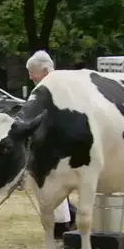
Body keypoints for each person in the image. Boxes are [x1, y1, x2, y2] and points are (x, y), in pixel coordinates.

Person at [24, 50, 77, 239]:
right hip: (52, 149)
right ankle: (68, 223)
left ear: (45, 71)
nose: (30, 76)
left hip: (62, 151)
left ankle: (63, 228)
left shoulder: (59, 89)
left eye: (32, 72)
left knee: (55, 188)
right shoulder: (44, 89)